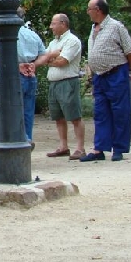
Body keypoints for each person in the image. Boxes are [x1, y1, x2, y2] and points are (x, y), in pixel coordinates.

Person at [80, 0, 131, 162]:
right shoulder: (94, 28)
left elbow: (130, 51)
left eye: (89, 9)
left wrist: (128, 70)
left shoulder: (116, 27)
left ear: (98, 10)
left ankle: (119, 148)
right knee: (100, 113)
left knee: (120, 112)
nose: (87, 12)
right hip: (99, 76)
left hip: (116, 73)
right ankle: (99, 149)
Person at [0, 7, 48, 144]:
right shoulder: (32, 35)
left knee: (11, 108)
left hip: (13, 75)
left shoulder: (4, 32)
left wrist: (17, 65)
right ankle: (27, 138)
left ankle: (12, 140)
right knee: (28, 110)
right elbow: (43, 55)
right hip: (30, 75)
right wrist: (34, 65)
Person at [42, 14, 87, 160]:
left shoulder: (72, 41)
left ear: (63, 24)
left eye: (53, 23)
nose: (51, 27)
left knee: (74, 116)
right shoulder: (54, 43)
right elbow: (44, 57)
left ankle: (80, 148)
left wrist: (49, 60)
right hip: (54, 83)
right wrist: (50, 58)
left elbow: (63, 61)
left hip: (68, 82)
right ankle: (63, 146)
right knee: (58, 117)